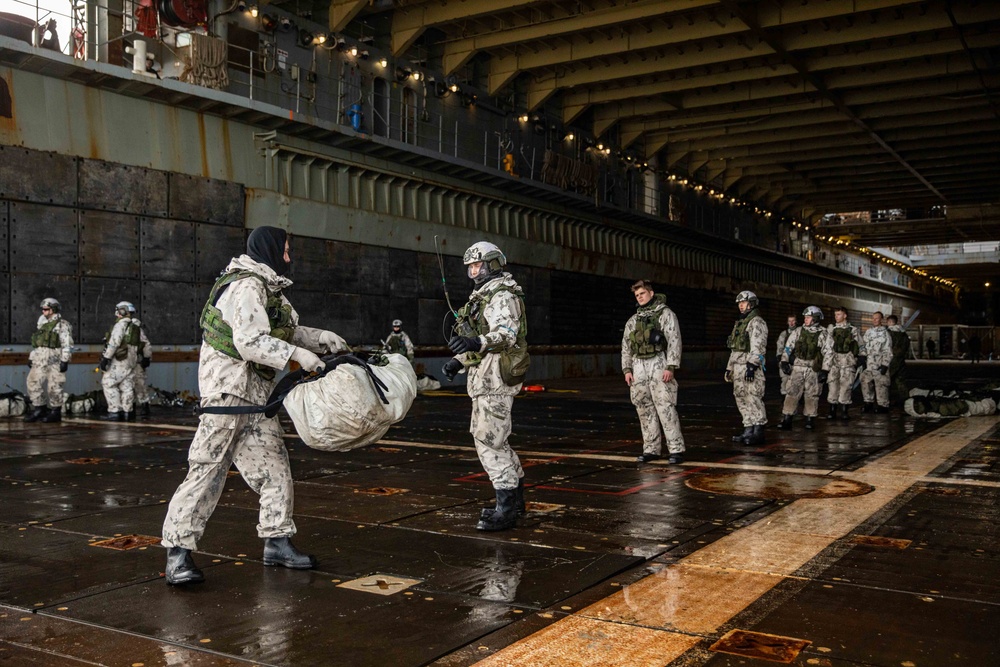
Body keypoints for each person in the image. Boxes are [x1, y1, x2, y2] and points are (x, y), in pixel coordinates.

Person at [161, 226, 348, 586]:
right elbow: (250, 341)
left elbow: (284, 331)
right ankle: (178, 554)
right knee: (207, 470)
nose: (289, 258)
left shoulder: (268, 290)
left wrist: (320, 338)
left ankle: (277, 542)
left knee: (275, 468)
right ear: (271, 250)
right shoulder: (246, 285)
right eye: (287, 250)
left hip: (256, 399)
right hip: (228, 395)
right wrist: (299, 356)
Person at [442, 241, 528, 532]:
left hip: (495, 380)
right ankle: (515, 501)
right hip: (485, 378)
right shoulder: (484, 296)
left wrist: (475, 342)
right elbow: (480, 342)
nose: (473, 271)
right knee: (498, 441)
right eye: (469, 267)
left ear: (492, 264)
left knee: (489, 443)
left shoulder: (502, 296)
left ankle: (505, 508)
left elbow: (504, 335)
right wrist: (459, 360)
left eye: (477, 265)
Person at [621, 280, 685, 464]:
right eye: (637, 295)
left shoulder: (665, 314)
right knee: (643, 407)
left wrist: (671, 366)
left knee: (665, 405)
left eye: (642, 293)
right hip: (638, 365)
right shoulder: (633, 320)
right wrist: (627, 369)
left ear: (651, 293)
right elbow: (626, 346)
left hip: (658, 361)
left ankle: (676, 449)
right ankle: (651, 449)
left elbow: (674, 339)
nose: (639, 297)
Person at [725, 290, 768, 446]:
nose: (741, 306)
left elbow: (758, 345)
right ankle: (748, 429)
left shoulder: (756, 322)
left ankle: (758, 431)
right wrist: (729, 367)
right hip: (738, 367)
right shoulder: (740, 323)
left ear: (751, 304)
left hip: (750, 367)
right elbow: (735, 349)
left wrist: (752, 365)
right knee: (740, 397)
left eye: (743, 303)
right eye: (739, 304)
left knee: (753, 397)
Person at [777, 306, 829, 430]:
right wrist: (784, 361)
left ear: (815, 318)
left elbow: (828, 352)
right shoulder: (798, 331)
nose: (805, 319)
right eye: (805, 317)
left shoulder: (823, 333)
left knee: (812, 394)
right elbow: (788, 347)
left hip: (813, 368)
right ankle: (787, 418)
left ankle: (810, 419)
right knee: (792, 392)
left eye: (809, 317)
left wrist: (825, 370)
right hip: (798, 366)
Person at [24, 297, 74, 423]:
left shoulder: (63, 325)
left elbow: (67, 344)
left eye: (46, 309)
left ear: (53, 309)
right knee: (32, 382)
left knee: (55, 386)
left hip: (55, 359)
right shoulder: (43, 324)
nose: (43, 312)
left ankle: (55, 412)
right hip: (40, 358)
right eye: (43, 309)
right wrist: (32, 357)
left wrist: (65, 360)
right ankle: (39, 408)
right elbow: (38, 344)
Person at [98, 301, 140, 422]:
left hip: (120, 360)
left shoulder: (120, 325)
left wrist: (106, 358)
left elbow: (114, 343)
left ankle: (114, 411)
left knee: (108, 382)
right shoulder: (135, 326)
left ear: (122, 311)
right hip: (131, 360)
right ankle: (128, 412)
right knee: (126, 385)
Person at [824, 306, 863, 420]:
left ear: (845, 315)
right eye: (836, 314)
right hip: (834, 361)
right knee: (832, 385)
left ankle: (844, 411)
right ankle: (832, 410)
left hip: (848, 361)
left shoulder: (853, 330)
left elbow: (861, 345)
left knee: (846, 386)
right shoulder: (831, 330)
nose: (836, 317)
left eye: (839, 314)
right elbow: (827, 347)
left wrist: (861, 358)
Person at [860, 311, 892, 413]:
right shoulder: (868, 332)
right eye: (873, 318)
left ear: (881, 320)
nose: (874, 320)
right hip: (868, 364)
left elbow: (888, 350)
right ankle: (868, 402)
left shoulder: (885, 333)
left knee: (881, 385)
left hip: (879, 363)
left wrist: (885, 364)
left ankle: (883, 405)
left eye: (877, 318)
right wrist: (862, 357)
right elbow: (863, 346)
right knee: (865, 383)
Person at [126, 303, 153, 418]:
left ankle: (144, 405)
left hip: (135, 362)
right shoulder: (120, 327)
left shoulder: (135, 328)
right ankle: (129, 408)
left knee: (139, 384)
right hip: (124, 362)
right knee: (127, 386)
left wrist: (147, 358)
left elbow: (145, 344)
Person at [885, 315, 910, 403]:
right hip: (901, 359)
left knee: (887, 380)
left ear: (890, 322)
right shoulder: (903, 333)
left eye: (887, 322)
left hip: (891, 359)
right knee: (901, 380)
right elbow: (907, 345)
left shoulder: (888, 333)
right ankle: (905, 400)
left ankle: (886, 400)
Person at [775, 315, 799, 396]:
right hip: (786, 361)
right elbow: (779, 347)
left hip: (797, 362)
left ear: (796, 321)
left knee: (796, 383)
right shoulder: (784, 334)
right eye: (789, 321)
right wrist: (781, 361)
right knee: (785, 381)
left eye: (793, 321)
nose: (791, 323)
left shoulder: (800, 333)